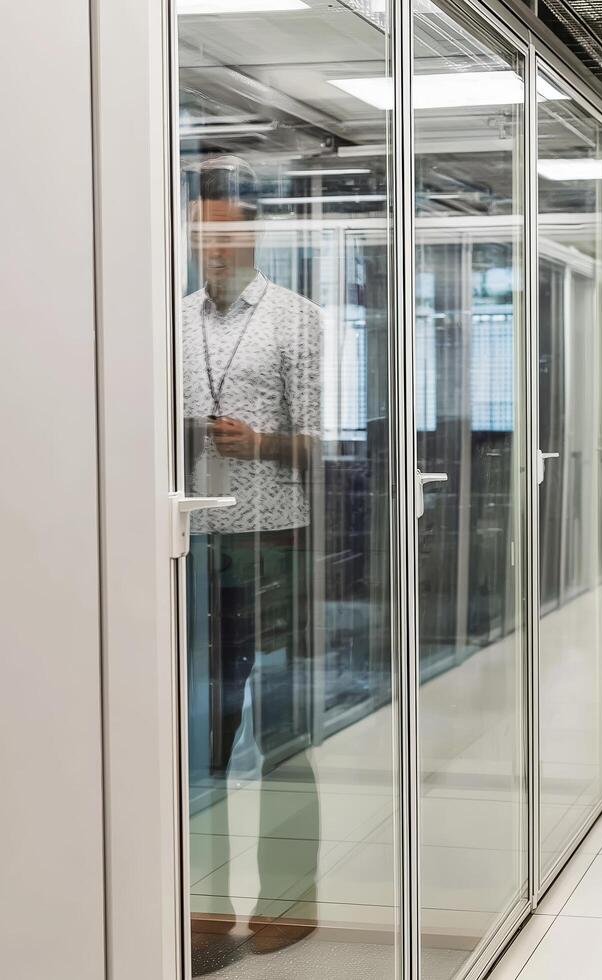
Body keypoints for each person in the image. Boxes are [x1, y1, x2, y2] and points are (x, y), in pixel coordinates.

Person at [182, 155, 324, 974]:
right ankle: (204, 903)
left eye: (229, 233)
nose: (216, 247)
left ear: (253, 233)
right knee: (202, 732)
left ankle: (288, 903)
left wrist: (259, 443)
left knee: (281, 732)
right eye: (204, 234)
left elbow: (322, 444)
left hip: (275, 547)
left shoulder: (295, 319)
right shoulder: (171, 319)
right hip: (192, 545)